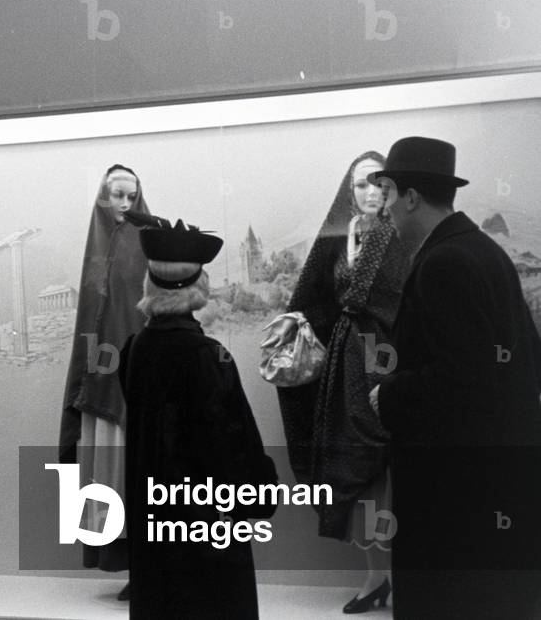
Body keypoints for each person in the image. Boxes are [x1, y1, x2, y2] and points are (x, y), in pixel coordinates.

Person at [368, 136, 541, 619]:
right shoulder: (481, 251)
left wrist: (391, 393)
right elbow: (526, 354)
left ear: (411, 197)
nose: (385, 211)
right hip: (493, 482)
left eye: (387, 195)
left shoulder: (445, 262)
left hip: (454, 489)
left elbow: (465, 377)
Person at [265, 151, 407, 613]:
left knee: (397, 474)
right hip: (345, 370)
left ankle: (408, 579)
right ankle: (376, 577)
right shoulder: (341, 237)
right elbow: (323, 298)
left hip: (394, 364)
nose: (371, 193)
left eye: (379, 184)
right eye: (361, 184)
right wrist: (297, 320)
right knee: (357, 477)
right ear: (350, 191)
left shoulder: (404, 236)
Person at [120, 218, 277, 620]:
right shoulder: (208, 355)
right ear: (200, 289)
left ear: (149, 287)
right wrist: (263, 488)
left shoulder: (135, 349)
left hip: (154, 527)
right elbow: (234, 446)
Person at [59, 164, 150, 591]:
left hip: (138, 378)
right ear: (103, 196)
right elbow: (91, 314)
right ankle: (122, 560)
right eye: (117, 195)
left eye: (132, 196)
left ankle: (149, 566)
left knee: (141, 469)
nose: (125, 204)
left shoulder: (145, 243)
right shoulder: (94, 249)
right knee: (108, 468)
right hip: (101, 378)